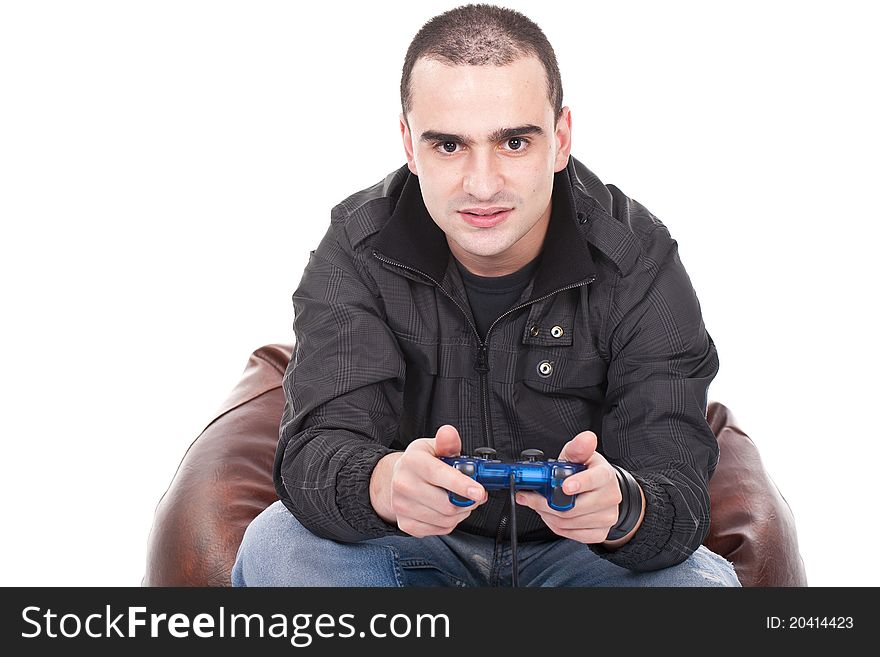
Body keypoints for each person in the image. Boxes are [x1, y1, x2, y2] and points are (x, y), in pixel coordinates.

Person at [232, 3, 740, 587]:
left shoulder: (639, 260)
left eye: (514, 143)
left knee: (701, 587)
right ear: (408, 143)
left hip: (587, 559)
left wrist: (624, 506)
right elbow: (316, 449)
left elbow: (677, 477)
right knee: (278, 547)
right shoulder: (355, 250)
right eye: (448, 146)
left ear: (561, 138)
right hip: (410, 546)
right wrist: (384, 485)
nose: (482, 184)